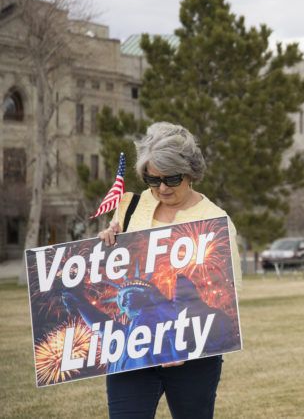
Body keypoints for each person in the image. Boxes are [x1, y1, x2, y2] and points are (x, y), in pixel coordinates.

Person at [95, 122, 241, 418]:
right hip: (133, 352)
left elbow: (226, 295)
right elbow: (115, 273)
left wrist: (182, 340)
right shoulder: (131, 205)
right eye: (152, 179)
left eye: (171, 179)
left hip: (193, 357)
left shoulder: (214, 220)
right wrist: (106, 244)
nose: (161, 188)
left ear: (190, 173)